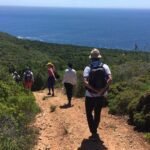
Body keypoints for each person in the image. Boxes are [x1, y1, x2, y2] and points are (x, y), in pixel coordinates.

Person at [83, 48, 112, 140]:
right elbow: (110, 79)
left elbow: (85, 82)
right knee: (97, 113)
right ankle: (95, 130)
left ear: (91, 58)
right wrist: (102, 90)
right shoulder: (105, 66)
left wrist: (94, 90)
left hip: (90, 95)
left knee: (88, 113)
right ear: (99, 58)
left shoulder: (88, 68)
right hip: (101, 95)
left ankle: (93, 132)